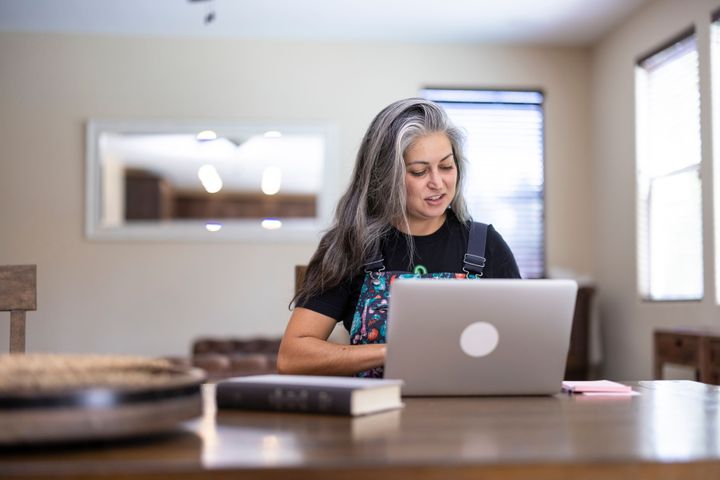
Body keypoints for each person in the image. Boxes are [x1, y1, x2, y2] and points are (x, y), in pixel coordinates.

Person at [277, 98, 520, 377]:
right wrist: (395, 351)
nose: (437, 183)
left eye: (446, 166)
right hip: (378, 411)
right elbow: (292, 357)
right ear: (386, 176)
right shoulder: (351, 245)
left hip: (470, 413)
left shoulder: (486, 244)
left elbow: (522, 344)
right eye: (419, 171)